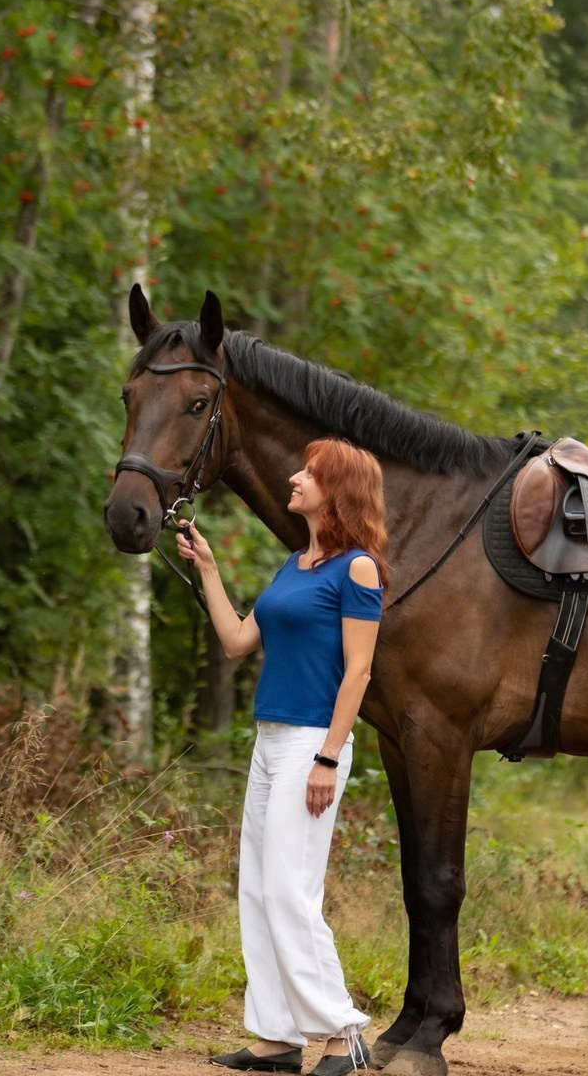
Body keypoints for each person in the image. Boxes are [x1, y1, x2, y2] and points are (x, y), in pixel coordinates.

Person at [176, 437, 388, 1076]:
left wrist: (327, 757)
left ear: (337, 489)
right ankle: (276, 1037)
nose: (293, 478)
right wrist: (208, 569)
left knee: (292, 892)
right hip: (270, 741)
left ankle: (342, 1032)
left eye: (309, 473)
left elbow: (359, 673)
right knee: (260, 890)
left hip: (311, 744)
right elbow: (239, 640)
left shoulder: (358, 569)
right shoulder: (294, 564)